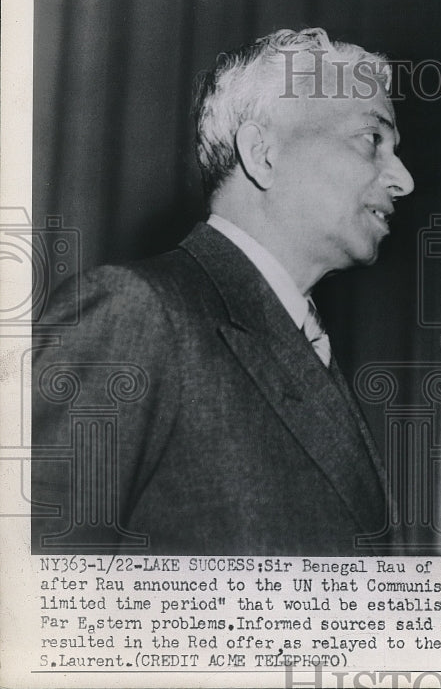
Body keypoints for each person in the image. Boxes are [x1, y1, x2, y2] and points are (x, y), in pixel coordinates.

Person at [32, 28, 414, 555]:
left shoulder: (305, 345)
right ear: (263, 154)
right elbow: (36, 580)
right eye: (372, 140)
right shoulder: (136, 311)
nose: (403, 179)